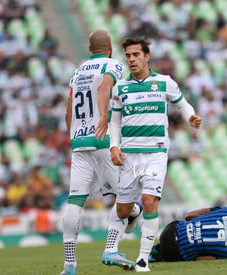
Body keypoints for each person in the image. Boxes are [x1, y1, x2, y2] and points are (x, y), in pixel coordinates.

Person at [100, 37, 202, 272]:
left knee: (150, 201)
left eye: (136, 55)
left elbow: (183, 105)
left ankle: (143, 259)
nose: (131, 59)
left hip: (155, 153)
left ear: (147, 56)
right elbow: (114, 122)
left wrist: (191, 117)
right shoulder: (120, 88)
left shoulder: (164, 83)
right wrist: (113, 146)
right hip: (129, 156)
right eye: (128, 56)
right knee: (123, 210)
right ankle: (132, 213)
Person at [61, 29, 142, 275]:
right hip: (103, 139)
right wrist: (104, 118)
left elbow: (68, 112)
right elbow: (104, 86)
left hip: (79, 143)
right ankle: (110, 248)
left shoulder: (77, 73)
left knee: (75, 202)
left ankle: (69, 265)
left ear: (89, 48)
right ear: (109, 47)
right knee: (125, 197)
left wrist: (74, 136)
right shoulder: (113, 65)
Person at [149, 206, 227, 262]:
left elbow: (188, 216)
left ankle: (158, 249)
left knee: (183, 227)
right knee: (187, 251)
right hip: (173, 252)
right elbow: (205, 258)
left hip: (169, 230)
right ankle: (158, 254)